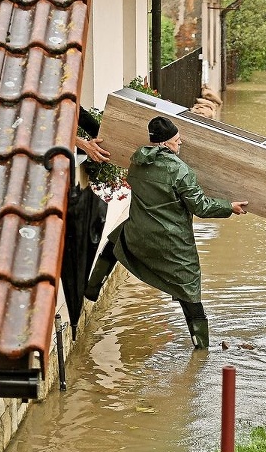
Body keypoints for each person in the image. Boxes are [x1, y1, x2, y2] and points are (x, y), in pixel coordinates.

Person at [84, 116, 248, 350]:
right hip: (172, 242)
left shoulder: (136, 161)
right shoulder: (181, 171)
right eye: (177, 140)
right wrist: (228, 206)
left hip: (139, 233)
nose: (180, 144)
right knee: (189, 289)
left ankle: (91, 288)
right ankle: (201, 348)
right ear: (165, 143)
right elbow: (200, 207)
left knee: (115, 240)